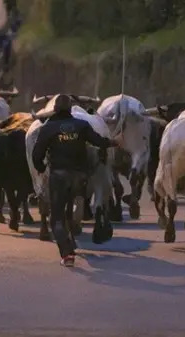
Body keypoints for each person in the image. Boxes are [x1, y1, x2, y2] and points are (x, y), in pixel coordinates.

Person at [31, 94, 117, 267]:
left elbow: (36, 154)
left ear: (54, 109)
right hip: (79, 178)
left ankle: (67, 254)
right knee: (71, 205)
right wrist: (115, 141)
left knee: (56, 218)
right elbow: (99, 142)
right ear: (71, 109)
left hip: (59, 177)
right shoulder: (82, 125)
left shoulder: (48, 128)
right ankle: (76, 225)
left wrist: (40, 168)